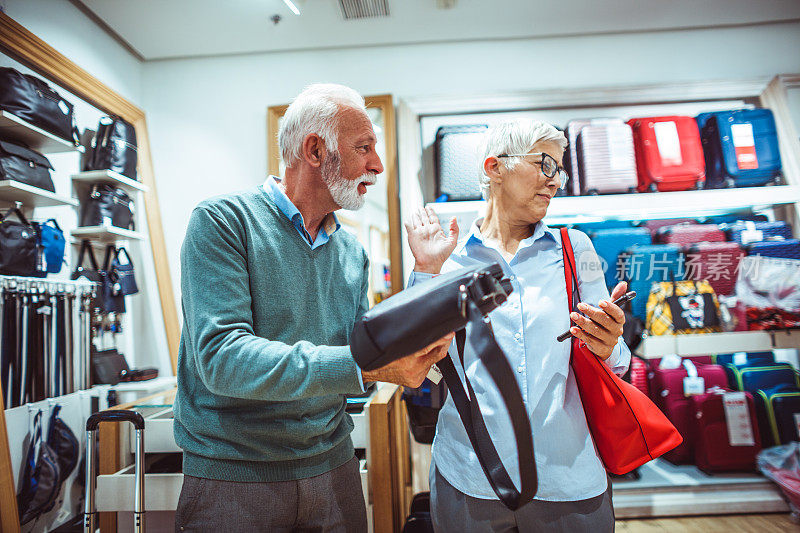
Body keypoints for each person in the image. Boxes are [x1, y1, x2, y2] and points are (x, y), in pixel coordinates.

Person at [173, 83, 452, 532]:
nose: (377, 165)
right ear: (316, 149)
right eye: (364, 148)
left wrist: (426, 274)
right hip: (235, 480)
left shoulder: (350, 253)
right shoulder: (223, 222)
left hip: (334, 473)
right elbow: (222, 360)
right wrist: (367, 368)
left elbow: (355, 370)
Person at [406, 119, 630, 532]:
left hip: (567, 474)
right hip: (470, 474)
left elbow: (616, 364)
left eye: (559, 170)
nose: (555, 181)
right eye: (545, 165)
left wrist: (608, 344)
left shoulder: (573, 249)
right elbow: (416, 366)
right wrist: (424, 272)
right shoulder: (447, 258)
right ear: (495, 168)